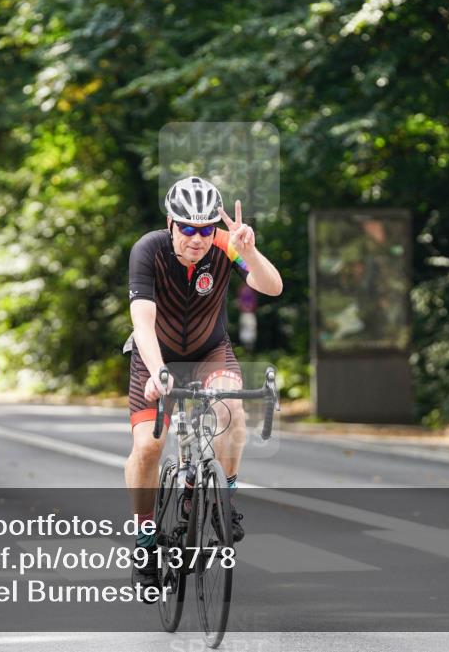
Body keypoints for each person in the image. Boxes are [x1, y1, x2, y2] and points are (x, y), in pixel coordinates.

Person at [125, 176, 283, 595]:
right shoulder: (149, 250)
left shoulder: (226, 246)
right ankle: (144, 543)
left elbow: (272, 286)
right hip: (155, 355)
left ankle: (223, 500)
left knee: (232, 413)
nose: (197, 238)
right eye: (188, 228)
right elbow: (142, 321)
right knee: (148, 448)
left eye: (206, 228)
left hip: (211, 352)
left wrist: (248, 251)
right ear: (171, 223)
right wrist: (159, 372)